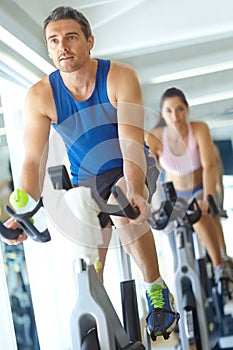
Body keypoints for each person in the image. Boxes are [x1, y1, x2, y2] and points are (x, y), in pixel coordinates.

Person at [2, 6, 179, 340]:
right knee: (89, 262)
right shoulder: (40, 95)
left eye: (70, 37)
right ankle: (99, 319)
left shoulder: (119, 76)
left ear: (89, 41)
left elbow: (129, 144)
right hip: (86, 179)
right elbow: (31, 163)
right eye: (53, 41)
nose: (62, 47)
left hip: (132, 165)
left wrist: (137, 192)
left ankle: (156, 289)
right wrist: (24, 210)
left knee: (122, 199)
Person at [145, 87, 233, 295]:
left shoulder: (199, 129)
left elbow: (210, 166)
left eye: (180, 109)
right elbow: (149, 175)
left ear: (187, 109)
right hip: (175, 196)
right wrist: (150, 204)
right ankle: (184, 286)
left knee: (200, 217)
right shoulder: (155, 137)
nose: (175, 116)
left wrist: (209, 198)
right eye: (169, 111)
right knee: (173, 238)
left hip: (201, 189)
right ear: (162, 113)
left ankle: (220, 265)